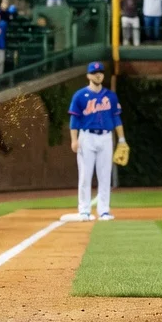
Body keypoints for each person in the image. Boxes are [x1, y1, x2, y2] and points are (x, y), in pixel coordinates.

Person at [68, 61, 124, 222]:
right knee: (85, 175)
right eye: (94, 72)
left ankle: (104, 210)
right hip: (86, 137)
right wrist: (73, 140)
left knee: (105, 175)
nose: (98, 74)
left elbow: (116, 118)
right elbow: (74, 119)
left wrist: (122, 139)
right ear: (88, 75)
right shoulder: (80, 96)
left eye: (100, 72)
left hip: (106, 137)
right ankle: (84, 210)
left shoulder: (110, 96)